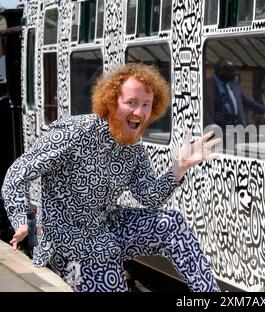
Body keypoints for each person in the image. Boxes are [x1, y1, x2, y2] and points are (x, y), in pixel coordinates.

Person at [1, 63, 222, 292]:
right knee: (108, 272)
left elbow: (148, 197)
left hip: (105, 225)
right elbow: (17, 174)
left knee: (171, 224)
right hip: (66, 238)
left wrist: (179, 168)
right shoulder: (74, 133)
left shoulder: (133, 147)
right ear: (111, 101)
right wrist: (21, 219)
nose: (140, 112)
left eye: (146, 104)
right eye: (131, 103)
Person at [205, 59, 265, 129]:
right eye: (230, 74)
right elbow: (203, 111)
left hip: (237, 126)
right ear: (220, 73)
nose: (233, 77)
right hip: (217, 127)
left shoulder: (234, 84)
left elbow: (247, 101)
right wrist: (211, 126)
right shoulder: (206, 85)